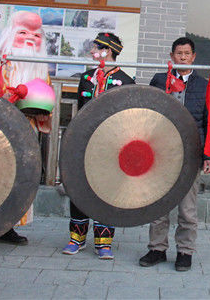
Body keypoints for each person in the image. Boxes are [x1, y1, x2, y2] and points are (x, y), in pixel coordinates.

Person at [0, 11, 52, 255]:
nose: (30, 38)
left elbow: (46, 97)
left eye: (36, 35)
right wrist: (9, 96)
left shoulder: (40, 67)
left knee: (19, 178)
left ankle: (7, 227)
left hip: (25, 130)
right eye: (23, 32)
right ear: (10, 34)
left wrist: (42, 110)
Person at [139, 37, 210, 272]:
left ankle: (185, 251)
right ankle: (157, 248)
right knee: (159, 203)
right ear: (171, 56)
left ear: (193, 57)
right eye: (178, 53)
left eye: (186, 53)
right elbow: (147, 112)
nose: (182, 57)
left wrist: (208, 155)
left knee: (187, 207)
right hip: (160, 152)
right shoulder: (160, 80)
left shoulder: (203, 84)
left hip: (192, 152)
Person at [61, 32, 134, 260]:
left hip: (111, 145)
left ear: (108, 50)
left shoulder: (126, 80)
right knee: (79, 188)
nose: (93, 51)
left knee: (106, 191)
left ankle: (104, 242)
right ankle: (77, 238)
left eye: (97, 47)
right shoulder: (86, 78)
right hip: (83, 141)